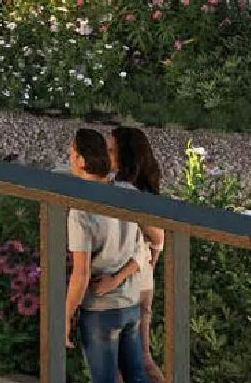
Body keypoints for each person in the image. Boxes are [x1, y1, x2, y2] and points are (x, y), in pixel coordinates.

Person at [63, 129, 151, 383]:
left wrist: (65, 316)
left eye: (71, 154)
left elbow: (81, 274)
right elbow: (142, 248)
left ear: (81, 160)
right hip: (130, 304)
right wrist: (117, 279)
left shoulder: (82, 210)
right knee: (136, 377)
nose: (69, 160)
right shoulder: (127, 191)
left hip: (100, 310)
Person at [90, 128, 168, 383]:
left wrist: (149, 262)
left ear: (126, 155)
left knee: (134, 363)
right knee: (138, 362)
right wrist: (150, 264)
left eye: (111, 150)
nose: (107, 154)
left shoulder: (125, 192)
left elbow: (157, 236)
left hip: (129, 282)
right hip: (139, 279)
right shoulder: (136, 190)